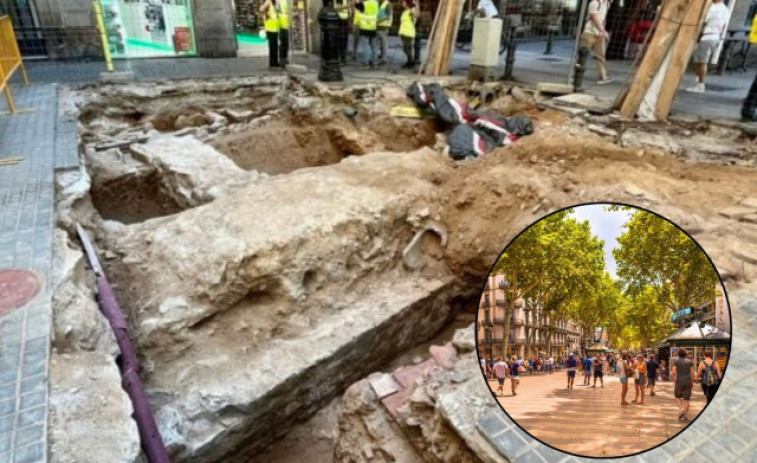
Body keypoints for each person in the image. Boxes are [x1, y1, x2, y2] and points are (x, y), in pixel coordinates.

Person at [686, 0, 730, 93]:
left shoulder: (712, 8)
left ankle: (700, 84)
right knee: (701, 61)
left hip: (707, 36)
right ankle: (698, 82)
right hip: (715, 36)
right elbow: (723, 26)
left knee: (701, 61)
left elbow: (704, 20)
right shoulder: (725, 10)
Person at [580, 0, 613, 85]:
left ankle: (603, 76)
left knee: (601, 56)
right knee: (583, 54)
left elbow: (603, 18)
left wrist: (602, 31)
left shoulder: (607, 4)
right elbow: (594, 18)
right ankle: (577, 76)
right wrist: (603, 31)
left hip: (599, 34)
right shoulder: (594, 3)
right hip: (589, 32)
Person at [672, 348, 695, 422]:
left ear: (679, 354)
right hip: (688, 380)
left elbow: (673, 371)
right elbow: (692, 372)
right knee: (687, 399)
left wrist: (674, 378)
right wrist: (692, 381)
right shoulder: (689, 362)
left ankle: (681, 408)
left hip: (679, 380)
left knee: (677, 396)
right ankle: (685, 416)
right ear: (685, 354)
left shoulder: (676, 361)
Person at [355, 0, 379, 67]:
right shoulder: (375, 3)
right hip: (373, 26)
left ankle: (366, 63)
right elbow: (377, 13)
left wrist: (356, 23)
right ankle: (374, 63)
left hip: (364, 27)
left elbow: (358, 13)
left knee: (366, 46)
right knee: (373, 45)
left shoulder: (362, 4)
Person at [260, 0, 280, 69]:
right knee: (273, 47)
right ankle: (273, 63)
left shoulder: (274, 2)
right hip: (270, 28)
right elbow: (261, 9)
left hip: (274, 28)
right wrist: (267, 14)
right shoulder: (268, 1)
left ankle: (275, 62)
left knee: (275, 46)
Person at [399, 0, 416, 69]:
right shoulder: (405, 11)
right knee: (407, 48)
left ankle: (411, 62)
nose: (402, 3)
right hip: (403, 32)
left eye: (404, 2)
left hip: (409, 32)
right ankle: (409, 62)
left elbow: (416, 16)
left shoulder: (412, 11)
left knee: (406, 48)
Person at [376, 0, 393, 65]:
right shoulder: (379, 3)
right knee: (379, 42)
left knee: (383, 42)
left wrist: (379, 21)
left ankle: (384, 58)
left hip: (384, 26)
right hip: (378, 25)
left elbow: (388, 16)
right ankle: (381, 56)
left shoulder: (387, 4)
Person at [276, 0, 292, 66]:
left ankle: (285, 58)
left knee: (286, 42)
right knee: (283, 42)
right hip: (282, 24)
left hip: (286, 23)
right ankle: (282, 59)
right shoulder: (279, 1)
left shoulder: (288, 1)